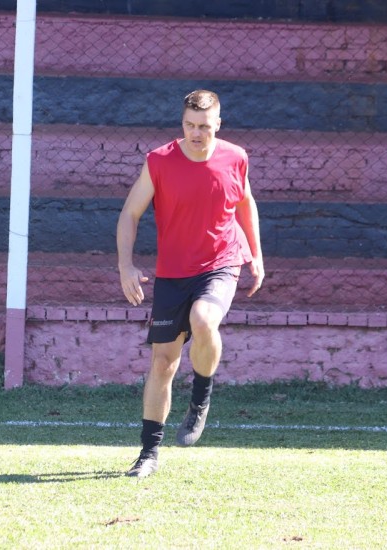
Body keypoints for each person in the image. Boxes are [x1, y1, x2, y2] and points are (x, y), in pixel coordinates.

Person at [116, 89, 265, 478]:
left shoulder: (236, 157)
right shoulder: (159, 161)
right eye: (189, 125)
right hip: (172, 273)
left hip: (221, 263)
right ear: (182, 123)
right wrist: (126, 266)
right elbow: (130, 214)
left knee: (203, 319)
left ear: (218, 124)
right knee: (163, 363)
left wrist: (257, 255)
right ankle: (148, 454)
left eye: (204, 126)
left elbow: (245, 203)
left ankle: (200, 396)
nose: (196, 133)